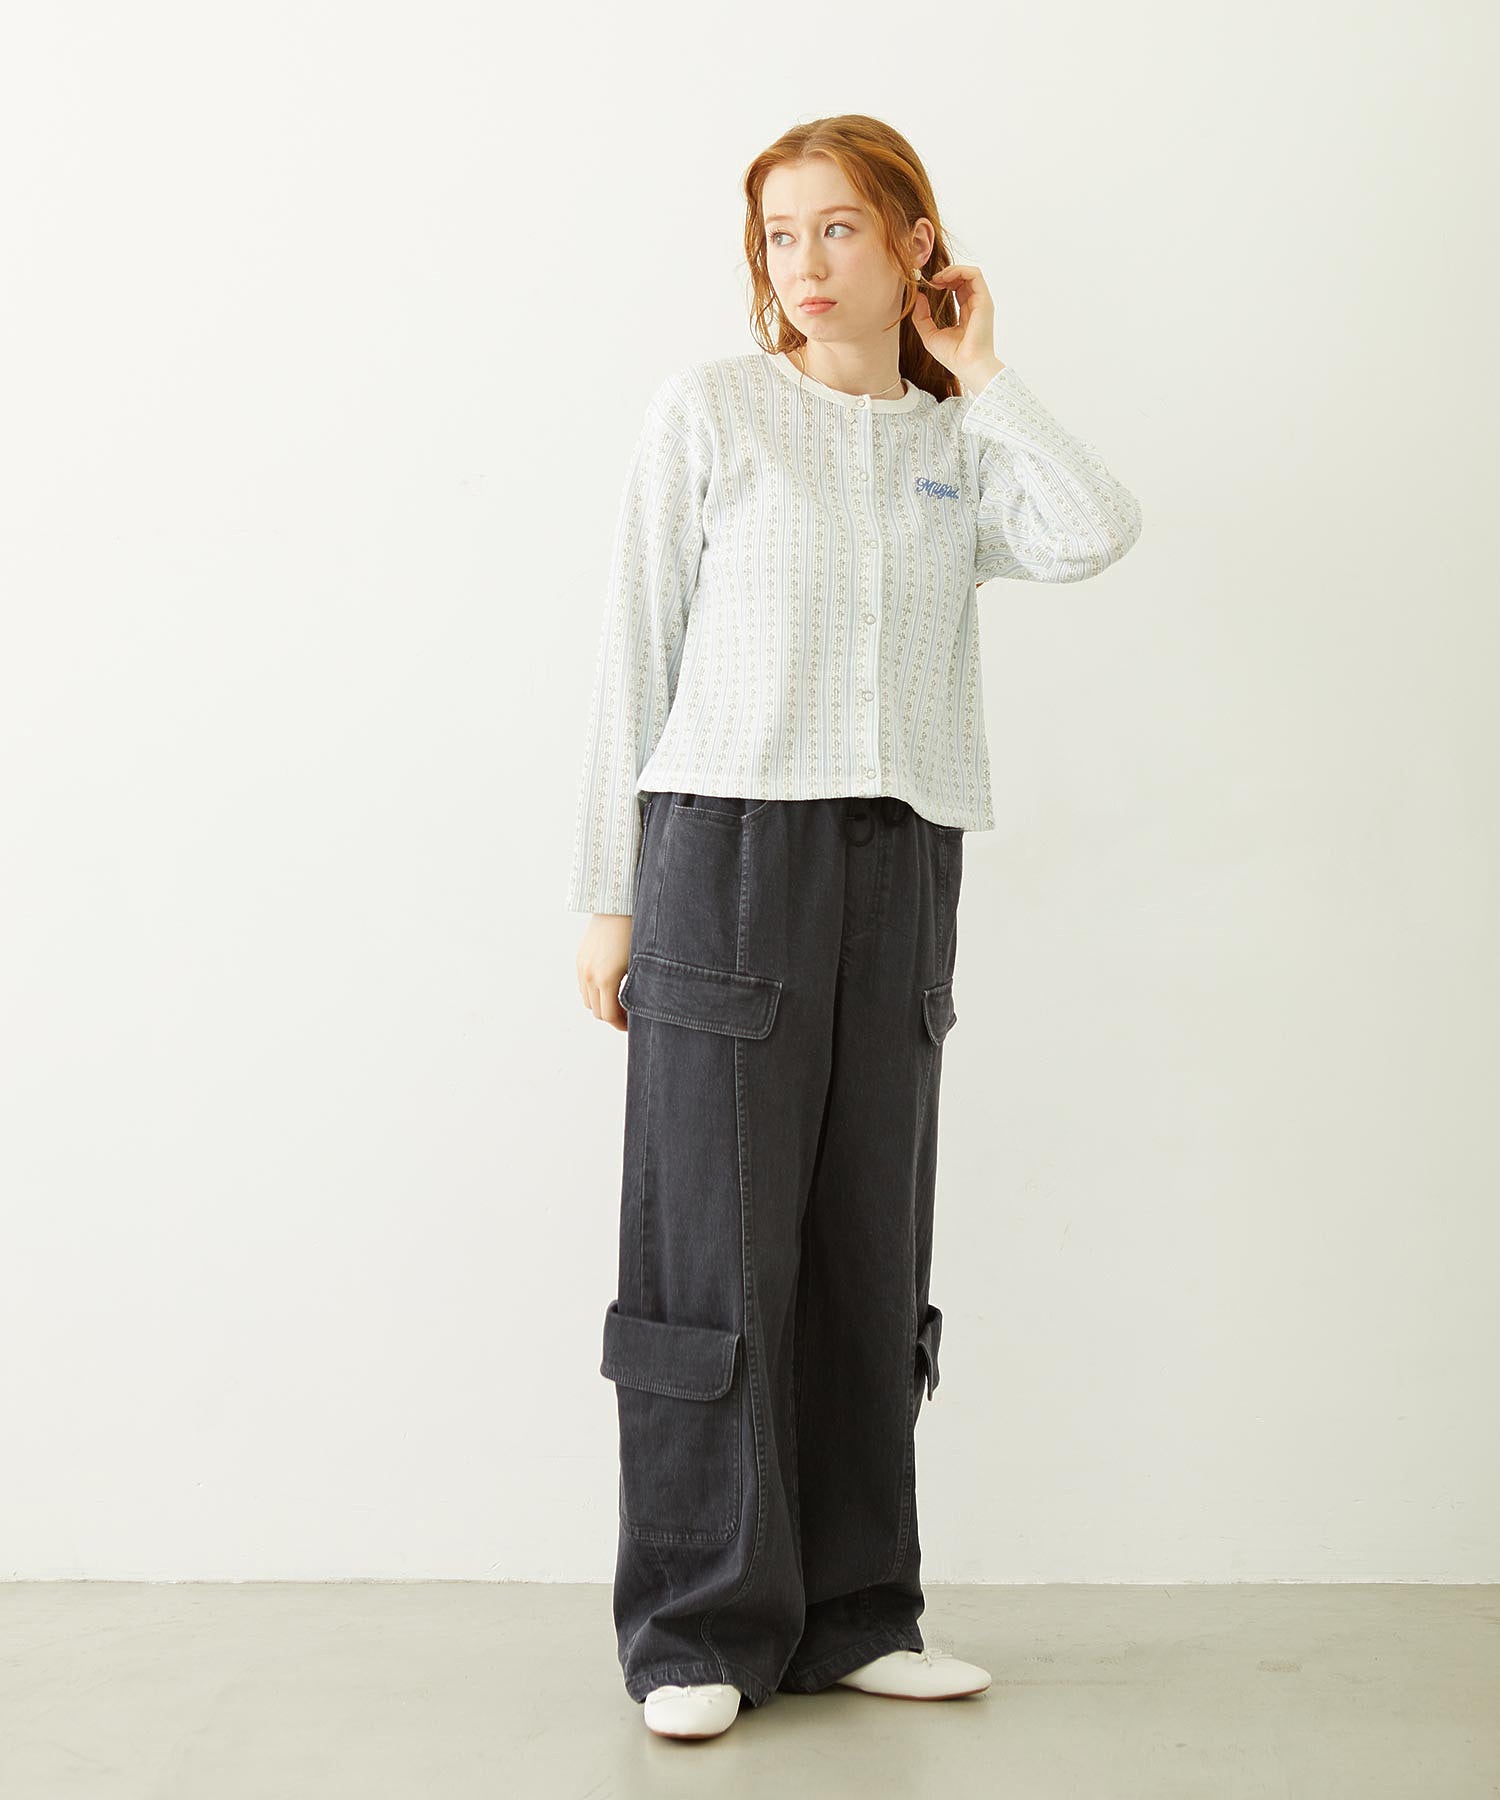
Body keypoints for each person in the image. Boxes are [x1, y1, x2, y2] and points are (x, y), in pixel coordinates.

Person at [565, 113, 1142, 1741]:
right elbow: (631, 651)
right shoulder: (714, 412)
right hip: (727, 854)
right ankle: (697, 1626)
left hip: (901, 857)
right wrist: (607, 893)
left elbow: (1097, 527)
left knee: (869, 1251)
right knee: (715, 1253)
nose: (805, 265)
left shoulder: (957, 444)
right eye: (779, 236)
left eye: (838, 229)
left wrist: (984, 368)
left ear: (912, 244)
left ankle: (858, 1613)